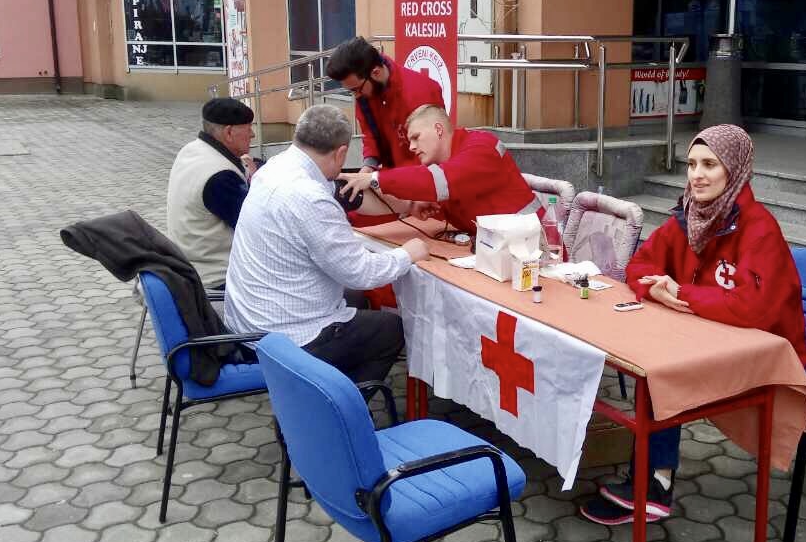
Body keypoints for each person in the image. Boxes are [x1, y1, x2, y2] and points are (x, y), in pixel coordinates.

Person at [580, 124, 806, 526]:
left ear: (735, 170)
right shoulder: (688, 215)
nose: (697, 175)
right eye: (691, 164)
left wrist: (683, 293)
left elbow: (753, 309)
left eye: (709, 165)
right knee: (654, 361)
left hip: (767, 359)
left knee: (659, 370)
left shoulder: (759, 228)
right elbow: (640, 265)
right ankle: (652, 480)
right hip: (710, 336)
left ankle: (654, 486)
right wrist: (655, 289)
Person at [224, 105, 430, 384]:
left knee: (356, 299)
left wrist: (409, 205)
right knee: (390, 328)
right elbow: (360, 272)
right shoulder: (310, 198)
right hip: (285, 339)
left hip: (249, 321)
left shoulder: (276, 167)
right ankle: (336, 405)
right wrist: (408, 254)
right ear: (341, 153)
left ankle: (329, 383)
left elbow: (347, 195)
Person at [337, 104, 541, 232]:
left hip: (534, 246)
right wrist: (411, 206)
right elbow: (413, 191)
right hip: (503, 245)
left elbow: (436, 182)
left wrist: (374, 178)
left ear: (438, 129)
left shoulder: (481, 147)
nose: (411, 147)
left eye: (416, 137)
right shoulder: (441, 164)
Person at [166, 98, 260, 290]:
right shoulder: (220, 176)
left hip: (189, 261)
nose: (253, 134)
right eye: (248, 127)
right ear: (229, 132)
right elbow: (257, 227)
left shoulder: (192, 150)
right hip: (218, 278)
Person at [326, 36, 446, 172]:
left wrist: (382, 179)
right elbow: (370, 134)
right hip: (395, 175)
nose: (356, 95)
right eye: (351, 91)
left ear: (376, 73)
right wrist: (368, 165)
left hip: (423, 176)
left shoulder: (420, 93)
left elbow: (431, 156)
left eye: (356, 89)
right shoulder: (367, 91)